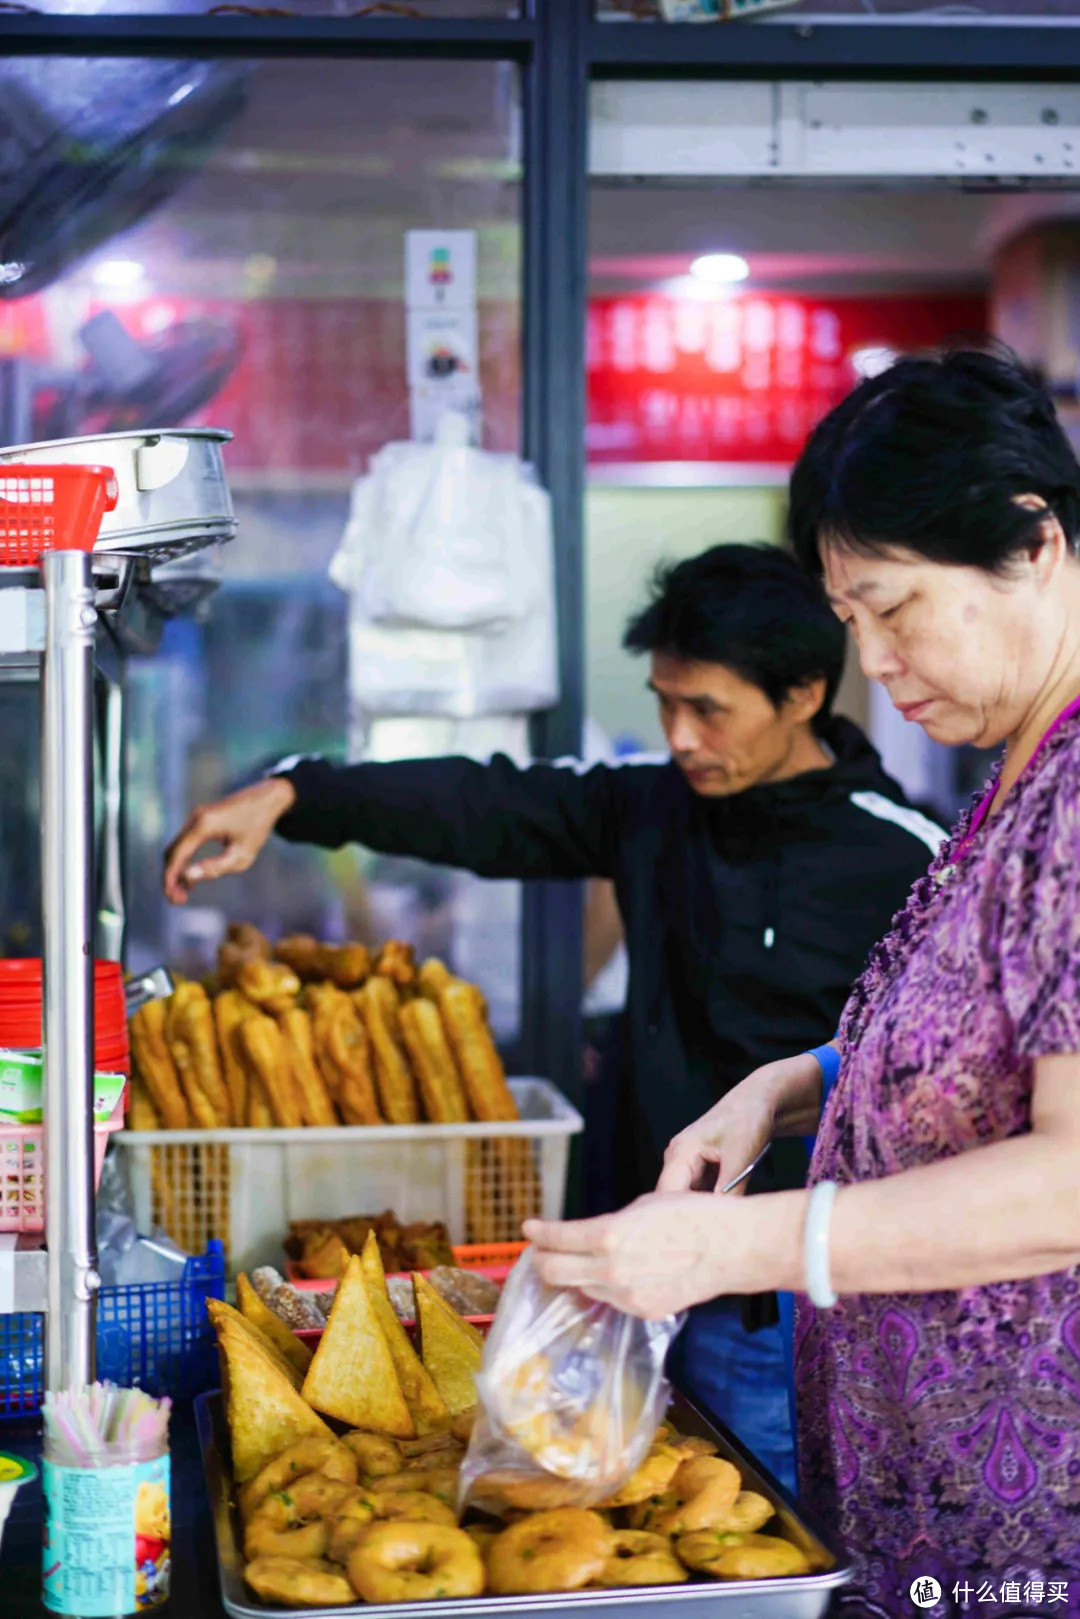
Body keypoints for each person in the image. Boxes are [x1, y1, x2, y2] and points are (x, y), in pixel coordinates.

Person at [162, 542, 941, 1490]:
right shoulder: (653, 805)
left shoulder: (903, 857)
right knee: (602, 1501)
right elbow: (484, 801)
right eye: (666, 702)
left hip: (773, 1305)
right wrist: (295, 793)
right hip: (625, 1261)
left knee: (752, 1513)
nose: (681, 735)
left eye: (709, 710)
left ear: (806, 692)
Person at [525, 349, 1080, 1611]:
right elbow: (990, 1040)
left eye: (896, 605)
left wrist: (742, 1241)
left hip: (1032, 1511)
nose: (874, 662)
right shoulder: (1012, 778)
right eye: (852, 619)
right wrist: (788, 1087)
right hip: (914, 1489)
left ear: (1033, 541)